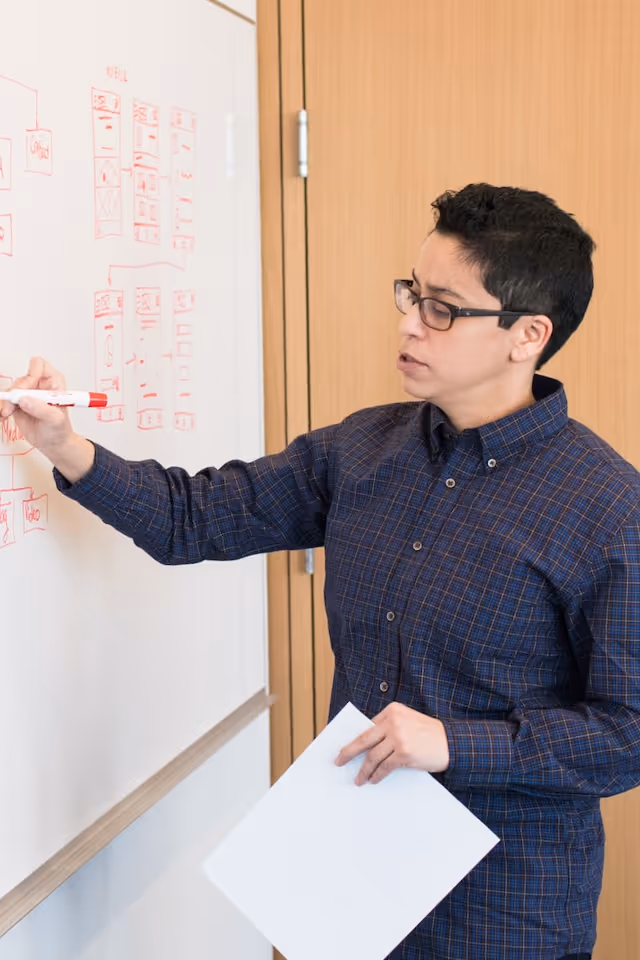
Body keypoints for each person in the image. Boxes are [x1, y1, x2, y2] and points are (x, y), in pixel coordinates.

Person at [3, 184, 639, 960]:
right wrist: (63, 444)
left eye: (443, 307)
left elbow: (627, 733)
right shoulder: (364, 449)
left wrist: (458, 744)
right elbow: (192, 517)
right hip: (347, 884)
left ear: (526, 334)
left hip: (505, 907)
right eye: (412, 293)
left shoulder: (608, 507)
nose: (409, 322)